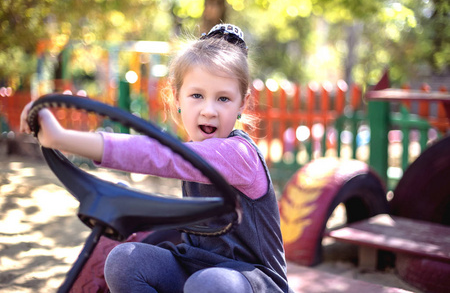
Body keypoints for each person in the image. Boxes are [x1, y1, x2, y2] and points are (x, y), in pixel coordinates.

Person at [20, 24, 293, 293]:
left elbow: (163, 156)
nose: (209, 110)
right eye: (196, 95)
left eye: (223, 99)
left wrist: (62, 138)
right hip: (195, 265)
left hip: (252, 280)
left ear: (242, 104)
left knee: (209, 284)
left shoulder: (238, 155)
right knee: (125, 261)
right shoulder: (193, 151)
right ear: (177, 97)